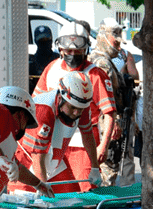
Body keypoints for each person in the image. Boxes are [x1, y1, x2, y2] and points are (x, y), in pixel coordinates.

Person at [10, 72, 99, 209]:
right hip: (26, 163)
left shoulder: (80, 104)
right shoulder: (43, 109)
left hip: (55, 159)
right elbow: (38, 158)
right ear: (62, 97)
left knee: (76, 208)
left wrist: (95, 167)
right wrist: (42, 187)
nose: (76, 113)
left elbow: (87, 134)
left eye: (80, 109)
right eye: (73, 108)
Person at [32, 21, 117, 193]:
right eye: (68, 51)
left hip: (83, 144)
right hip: (53, 142)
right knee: (57, 193)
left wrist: (104, 145)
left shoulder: (95, 74)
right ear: (60, 49)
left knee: (87, 193)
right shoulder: (52, 68)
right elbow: (36, 101)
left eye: (77, 50)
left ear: (85, 49)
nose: (72, 54)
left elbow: (109, 112)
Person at [90, 18, 138, 188]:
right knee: (107, 172)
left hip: (111, 122)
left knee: (113, 167)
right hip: (106, 124)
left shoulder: (104, 61)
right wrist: (115, 120)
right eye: (115, 37)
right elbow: (103, 98)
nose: (119, 45)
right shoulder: (101, 63)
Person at [28, 25, 59, 93]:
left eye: (47, 39)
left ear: (51, 40)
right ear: (36, 41)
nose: (44, 43)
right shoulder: (31, 62)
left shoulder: (58, 60)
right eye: (41, 40)